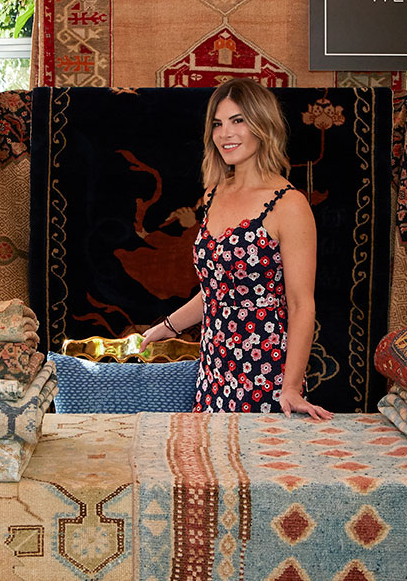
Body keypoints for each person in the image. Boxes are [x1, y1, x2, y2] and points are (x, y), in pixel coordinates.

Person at [141, 79, 333, 421]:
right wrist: (167, 327)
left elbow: (302, 304)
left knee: (259, 471)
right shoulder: (214, 192)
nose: (225, 133)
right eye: (218, 123)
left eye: (238, 120)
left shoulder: (289, 205)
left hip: (266, 370)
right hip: (213, 369)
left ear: (263, 125)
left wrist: (291, 388)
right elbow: (219, 290)